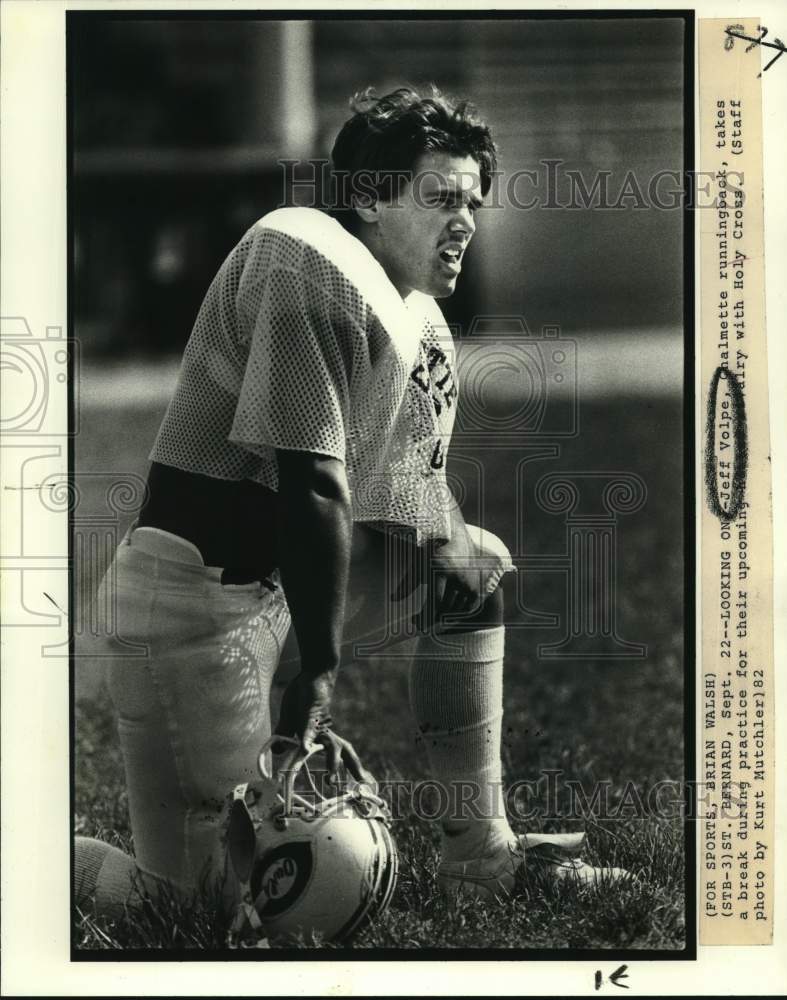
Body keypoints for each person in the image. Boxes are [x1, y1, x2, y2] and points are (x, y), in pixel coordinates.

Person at [74, 87, 627, 931]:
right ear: (367, 194)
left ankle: (483, 857)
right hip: (189, 608)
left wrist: (457, 551)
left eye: (472, 202)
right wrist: (318, 683)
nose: (465, 222)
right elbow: (315, 487)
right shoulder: (305, 257)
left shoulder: (423, 321)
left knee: (469, 571)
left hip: (275, 602)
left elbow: (409, 508)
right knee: (200, 912)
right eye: (440, 198)